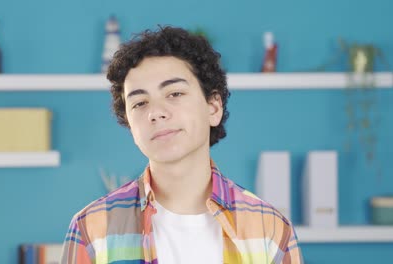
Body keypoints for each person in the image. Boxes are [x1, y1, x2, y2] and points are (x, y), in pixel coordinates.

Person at [61, 26, 303, 264]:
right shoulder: (91, 230)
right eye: (140, 103)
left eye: (174, 94)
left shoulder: (270, 230)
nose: (155, 113)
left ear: (213, 107)